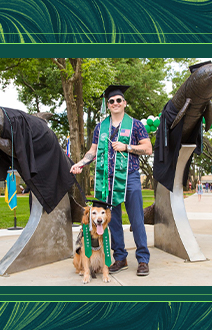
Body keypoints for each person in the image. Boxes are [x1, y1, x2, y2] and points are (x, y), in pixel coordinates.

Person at [70, 85, 152, 276]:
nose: (115, 103)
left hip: (130, 177)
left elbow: (148, 148)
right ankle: (120, 258)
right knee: (111, 221)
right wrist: (80, 163)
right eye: (111, 101)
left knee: (137, 219)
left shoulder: (136, 125)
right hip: (106, 180)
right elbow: (93, 151)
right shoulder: (101, 127)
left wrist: (127, 147)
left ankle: (142, 260)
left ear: (124, 103)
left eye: (118, 100)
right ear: (108, 105)